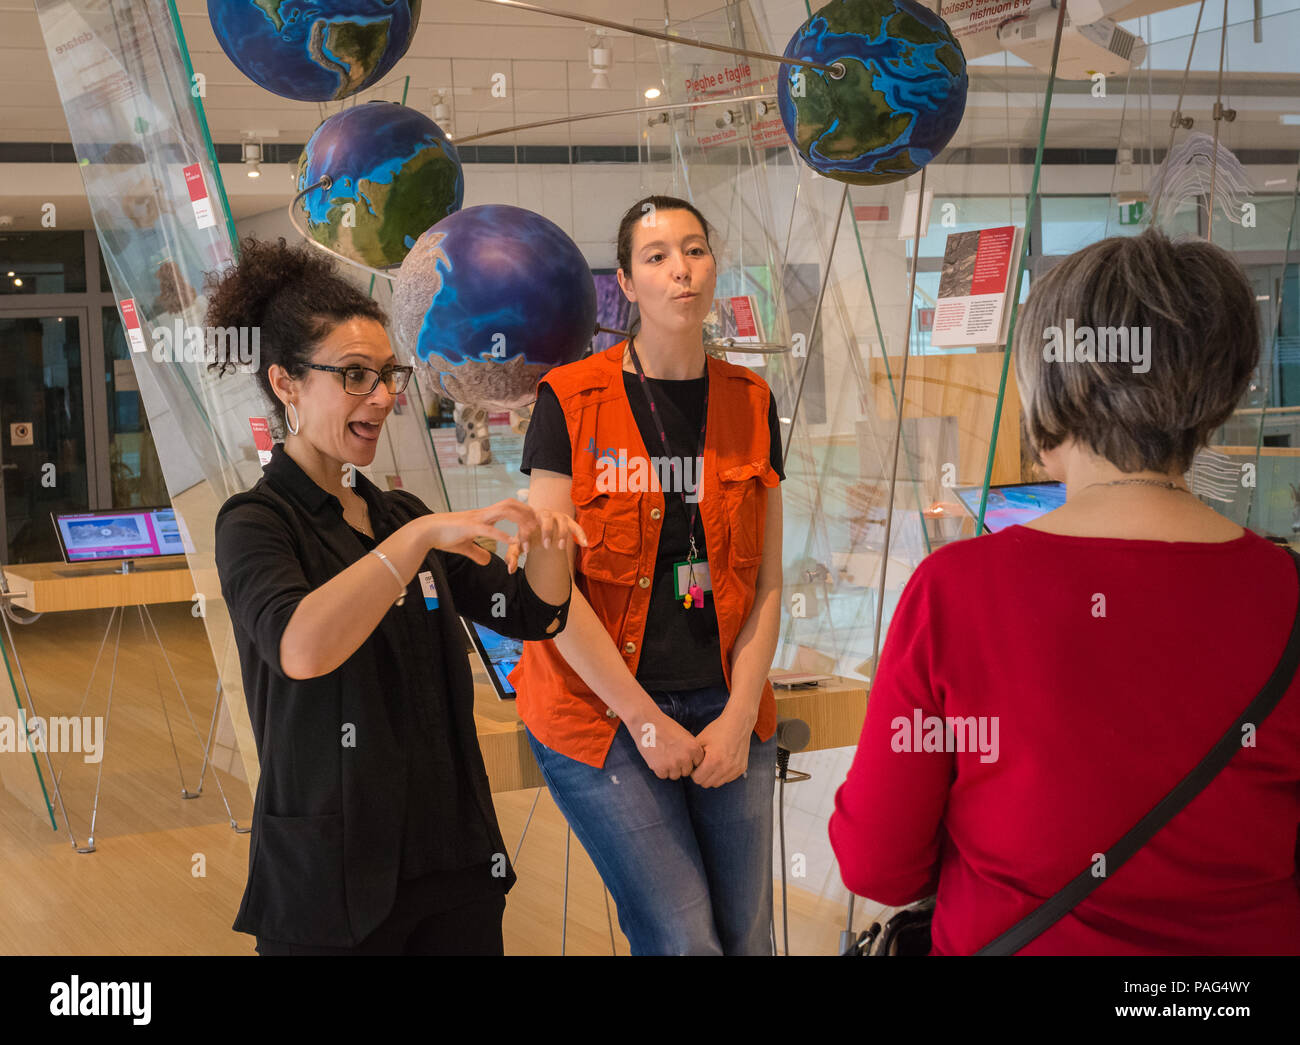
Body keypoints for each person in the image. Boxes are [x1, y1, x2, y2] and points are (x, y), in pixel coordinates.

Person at [829, 228, 1300, 954]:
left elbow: (879, 864)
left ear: (1047, 384)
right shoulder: (1285, 593)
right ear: (1219, 388)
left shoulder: (955, 592)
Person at [209, 237, 584, 955]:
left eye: (388, 374)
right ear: (286, 382)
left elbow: (531, 612)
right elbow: (301, 645)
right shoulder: (256, 523)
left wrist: (551, 540)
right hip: (333, 882)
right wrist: (415, 542)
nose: (382, 397)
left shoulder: (401, 514)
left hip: (454, 860)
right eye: (355, 375)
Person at [512, 196, 786, 955]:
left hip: (726, 701)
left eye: (694, 250)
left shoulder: (752, 400)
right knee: (682, 936)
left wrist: (735, 718)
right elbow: (550, 594)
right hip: (600, 715)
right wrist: (643, 718)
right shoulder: (570, 400)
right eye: (657, 256)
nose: (680, 270)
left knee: (748, 936)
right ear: (627, 283)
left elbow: (767, 582)